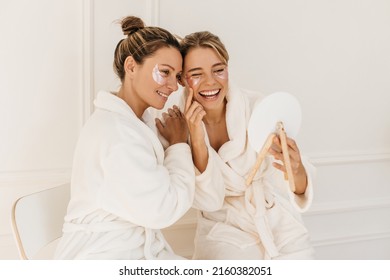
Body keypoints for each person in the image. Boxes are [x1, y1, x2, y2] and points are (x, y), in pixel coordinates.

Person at [54, 16, 195, 260]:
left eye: (178, 76)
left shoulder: (136, 122)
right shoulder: (118, 134)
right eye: (165, 72)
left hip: (129, 248)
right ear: (131, 67)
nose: (173, 86)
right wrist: (179, 145)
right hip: (102, 256)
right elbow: (163, 209)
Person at [174, 31, 316, 259]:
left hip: (276, 223)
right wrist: (196, 138)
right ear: (181, 79)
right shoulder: (176, 127)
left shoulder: (257, 108)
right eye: (196, 74)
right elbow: (206, 199)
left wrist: (296, 169)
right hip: (222, 230)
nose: (211, 82)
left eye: (218, 70)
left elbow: (294, 186)